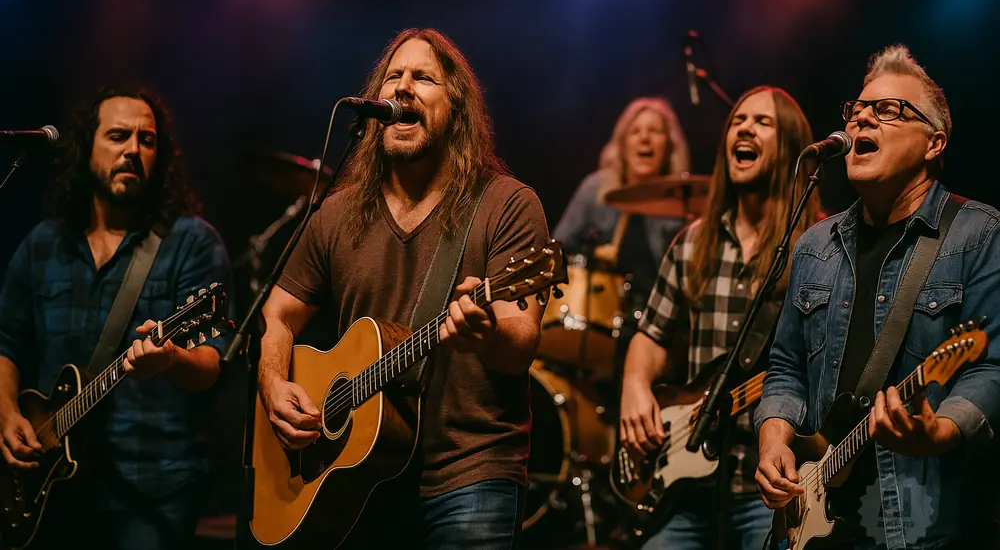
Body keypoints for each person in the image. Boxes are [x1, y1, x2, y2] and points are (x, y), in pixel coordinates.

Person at [256, 28, 549, 549]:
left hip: (469, 470)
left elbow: (521, 341)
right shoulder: (337, 213)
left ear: (456, 107)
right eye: (394, 76)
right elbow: (277, 313)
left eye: (424, 78)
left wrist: (484, 332)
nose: (404, 87)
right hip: (357, 476)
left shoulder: (506, 205)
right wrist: (275, 382)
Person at [755, 45, 1000, 549]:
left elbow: (991, 363)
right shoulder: (815, 245)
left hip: (926, 524)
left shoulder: (977, 233)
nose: (862, 116)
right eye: (857, 109)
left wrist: (944, 431)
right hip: (817, 520)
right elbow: (786, 366)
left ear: (934, 144)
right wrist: (774, 436)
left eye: (887, 110)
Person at [0, 85, 233, 548]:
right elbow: (6, 341)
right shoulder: (44, 243)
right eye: (118, 136)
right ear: (86, 147)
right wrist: (6, 414)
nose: (133, 149)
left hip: (151, 485)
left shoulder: (192, 242)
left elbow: (212, 363)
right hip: (47, 483)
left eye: (147, 140)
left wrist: (169, 361)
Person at [619, 86, 820, 550]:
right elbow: (650, 334)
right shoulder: (692, 242)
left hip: (770, 491)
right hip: (690, 490)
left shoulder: (818, 247)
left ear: (790, 147)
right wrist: (634, 388)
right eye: (737, 121)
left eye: (762, 122)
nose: (744, 128)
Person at [553, 96, 691, 308]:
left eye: (655, 131)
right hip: (598, 310)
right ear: (623, 144)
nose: (644, 138)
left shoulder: (685, 202)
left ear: (669, 146)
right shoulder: (595, 189)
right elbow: (557, 250)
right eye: (635, 131)